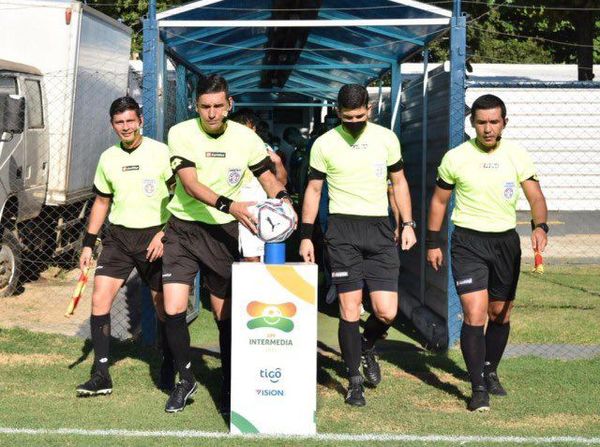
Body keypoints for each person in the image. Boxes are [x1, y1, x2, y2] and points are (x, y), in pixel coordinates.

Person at [160, 75, 292, 413]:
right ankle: (185, 379)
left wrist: (283, 198)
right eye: (205, 107)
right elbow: (189, 185)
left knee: (224, 315)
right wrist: (231, 205)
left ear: (229, 104)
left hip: (223, 235)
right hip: (184, 229)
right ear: (196, 106)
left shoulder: (246, 138)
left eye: (219, 106)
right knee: (173, 308)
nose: (212, 113)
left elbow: (266, 177)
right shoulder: (181, 133)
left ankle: (232, 383)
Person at [426, 94, 548, 412]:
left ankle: (490, 369)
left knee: (500, 314)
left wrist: (540, 227)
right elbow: (439, 202)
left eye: (494, 122)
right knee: (475, 315)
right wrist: (432, 242)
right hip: (468, 242)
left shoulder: (517, 155)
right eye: (482, 122)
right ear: (473, 124)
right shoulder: (455, 158)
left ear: (504, 123)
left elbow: (535, 196)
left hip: (505, 243)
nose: (488, 128)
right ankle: (478, 387)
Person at [299, 84, 417, 407]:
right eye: (348, 117)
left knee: (386, 311)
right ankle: (353, 382)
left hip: (379, 230)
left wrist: (407, 223)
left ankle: (367, 345)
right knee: (349, 309)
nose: (354, 121)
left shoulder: (386, 139)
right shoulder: (323, 144)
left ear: (370, 109)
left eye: (360, 116)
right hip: (341, 231)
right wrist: (307, 235)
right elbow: (312, 190)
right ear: (338, 113)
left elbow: (400, 182)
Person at [76, 96, 174, 396]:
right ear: (112, 125)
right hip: (118, 238)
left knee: (163, 306)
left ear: (140, 121)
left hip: (154, 238)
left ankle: (170, 365)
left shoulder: (161, 153)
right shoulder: (108, 158)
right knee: (99, 299)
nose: (126, 127)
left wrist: (165, 233)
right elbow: (102, 201)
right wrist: (88, 245)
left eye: (130, 121)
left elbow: (180, 198)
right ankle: (101, 373)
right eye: (119, 122)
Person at [229, 107, 288, 261]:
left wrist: (278, 163)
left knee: (265, 259)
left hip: (264, 214)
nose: (248, 135)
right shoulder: (227, 151)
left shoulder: (265, 149)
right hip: (236, 213)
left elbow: (281, 183)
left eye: (250, 130)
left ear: (254, 129)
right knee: (250, 259)